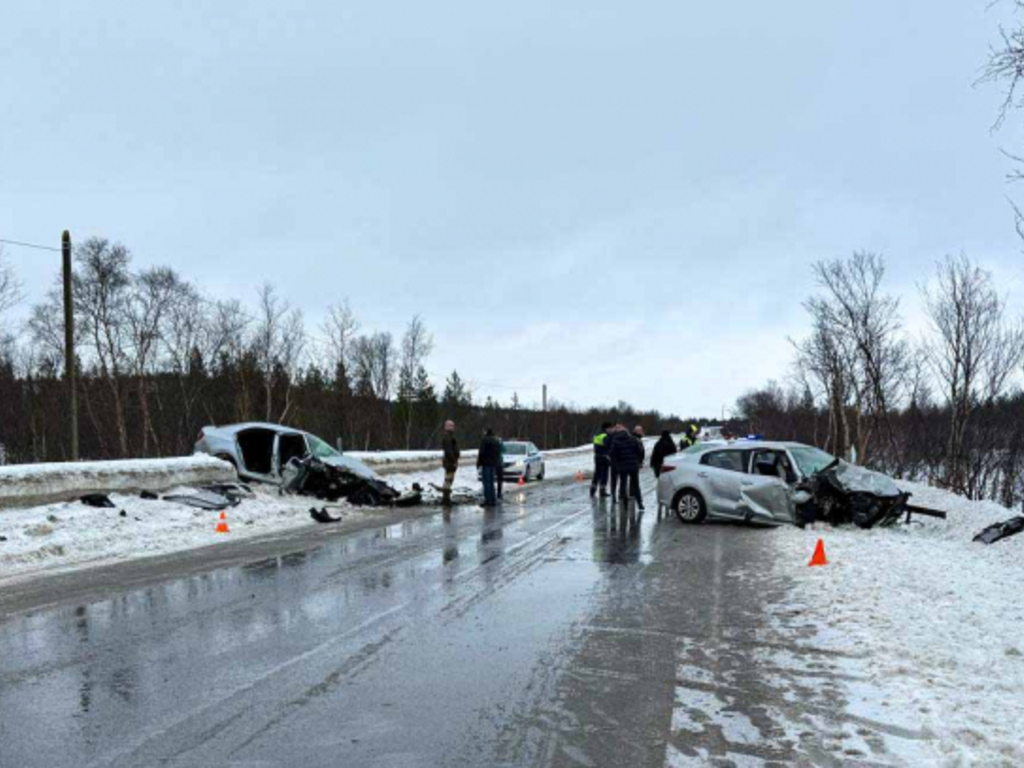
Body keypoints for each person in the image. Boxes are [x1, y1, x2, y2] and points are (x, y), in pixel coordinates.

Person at [610, 424, 644, 510]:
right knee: (636, 484)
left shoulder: (615, 441)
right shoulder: (633, 439)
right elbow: (639, 451)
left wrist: (616, 464)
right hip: (633, 465)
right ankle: (640, 503)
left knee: (623, 483)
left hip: (622, 466)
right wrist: (638, 461)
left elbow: (612, 454)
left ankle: (623, 502)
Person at [477, 427, 502, 507]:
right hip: (493, 464)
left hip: (486, 463)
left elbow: (481, 452)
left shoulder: (484, 440)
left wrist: (479, 462)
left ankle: (488, 500)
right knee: (491, 482)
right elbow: (498, 452)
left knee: (486, 482)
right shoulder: (496, 440)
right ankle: (493, 500)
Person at [590, 422, 613, 498]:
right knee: (604, 474)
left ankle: (592, 490)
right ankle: (602, 491)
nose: (611, 430)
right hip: (604, 457)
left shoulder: (597, 435)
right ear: (606, 428)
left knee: (597, 474)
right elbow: (608, 446)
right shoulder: (606, 436)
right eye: (610, 428)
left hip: (597, 456)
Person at [441, 420, 460, 506]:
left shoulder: (449, 436)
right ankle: (446, 500)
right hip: (450, 463)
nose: (453, 427)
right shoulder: (448, 437)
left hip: (450, 462)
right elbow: (449, 451)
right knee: (448, 480)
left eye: (453, 426)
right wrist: (454, 461)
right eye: (451, 426)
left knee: (449, 480)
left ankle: (446, 498)